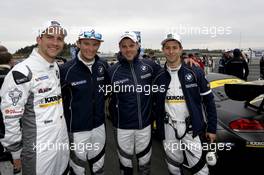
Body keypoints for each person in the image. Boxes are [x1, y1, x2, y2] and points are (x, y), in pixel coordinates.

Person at [0, 20, 69, 175]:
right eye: (50, 37)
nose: (55, 43)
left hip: (61, 142)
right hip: (38, 148)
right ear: (39, 39)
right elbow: (9, 118)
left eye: (59, 39)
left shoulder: (55, 67)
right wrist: (15, 153)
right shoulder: (22, 72)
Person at [152, 33, 217, 175]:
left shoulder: (195, 72)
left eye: (175, 47)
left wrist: (212, 128)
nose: (171, 51)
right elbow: (153, 104)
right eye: (167, 48)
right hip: (168, 128)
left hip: (192, 129)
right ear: (163, 50)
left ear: (181, 50)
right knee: (173, 168)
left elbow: (209, 102)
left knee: (201, 171)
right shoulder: (158, 76)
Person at [108, 31, 162, 175]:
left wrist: (187, 64)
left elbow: (169, 74)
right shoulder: (112, 70)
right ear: (119, 48)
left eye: (131, 45)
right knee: (125, 167)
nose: (128, 49)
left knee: (144, 165)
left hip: (144, 125)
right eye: (124, 46)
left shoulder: (150, 65)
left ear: (137, 45)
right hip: (122, 127)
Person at [60, 29, 108, 175]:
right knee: (77, 169)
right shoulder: (65, 70)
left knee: (99, 166)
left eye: (95, 45)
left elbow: (106, 91)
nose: (91, 48)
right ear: (78, 44)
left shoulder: (103, 66)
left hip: (99, 126)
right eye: (86, 44)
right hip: (77, 130)